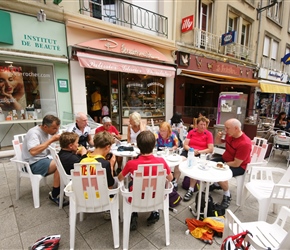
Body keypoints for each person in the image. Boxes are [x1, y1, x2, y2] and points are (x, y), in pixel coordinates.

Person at [118, 131, 173, 231]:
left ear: (138, 146)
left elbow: (120, 178)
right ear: (154, 145)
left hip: (136, 198)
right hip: (156, 196)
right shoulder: (161, 161)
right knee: (154, 185)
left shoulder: (131, 163)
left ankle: (133, 213)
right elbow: (170, 178)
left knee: (132, 183)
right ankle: (155, 212)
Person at [22, 115, 67, 206]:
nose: (56, 131)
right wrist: (51, 140)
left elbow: (48, 147)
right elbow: (33, 151)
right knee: (61, 163)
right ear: (45, 127)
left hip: (45, 158)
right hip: (33, 163)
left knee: (66, 158)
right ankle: (54, 194)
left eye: (57, 128)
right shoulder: (34, 133)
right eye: (54, 128)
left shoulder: (47, 132)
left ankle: (62, 187)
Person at [211, 118, 252, 209]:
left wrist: (223, 165)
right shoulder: (230, 135)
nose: (225, 130)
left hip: (239, 166)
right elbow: (217, 143)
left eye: (227, 128)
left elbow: (236, 163)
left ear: (236, 128)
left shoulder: (244, 143)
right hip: (226, 159)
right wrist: (218, 136)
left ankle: (227, 195)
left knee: (219, 172)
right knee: (209, 164)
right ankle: (217, 184)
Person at [180, 116, 214, 200]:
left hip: (201, 154)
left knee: (194, 168)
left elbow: (210, 149)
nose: (203, 126)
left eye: (204, 124)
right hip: (190, 151)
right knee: (179, 161)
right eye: (201, 124)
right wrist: (191, 150)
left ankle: (190, 189)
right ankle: (175, 182)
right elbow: (185, 145)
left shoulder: (208, 134)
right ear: (197, 125)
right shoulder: (191, 132)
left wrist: (199, 151)